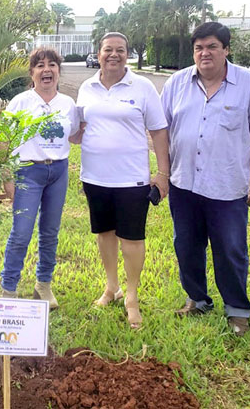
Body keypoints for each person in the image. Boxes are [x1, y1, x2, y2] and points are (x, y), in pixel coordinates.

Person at [160, 22, 250, 336]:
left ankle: (237, 311)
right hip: (183, 183)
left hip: (227, 187)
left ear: (226, 49)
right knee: (186, 245)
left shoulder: (248, 84)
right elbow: (161, 130)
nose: (204, 53)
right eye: (199, 47)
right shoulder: (176, 83)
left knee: (230, 248)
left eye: (212, 46)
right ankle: (197, 299)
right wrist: (161, 172)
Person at [71, 32, 170, 329]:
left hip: (132, 179)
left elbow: (159, 131)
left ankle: (131, 296)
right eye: (107, 50)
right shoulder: (86, 87)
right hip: (94, 176)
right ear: (98, 53)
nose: (113, 54)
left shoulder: (142, 87)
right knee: (104, 233)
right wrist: (72, 134)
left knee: (132, 239)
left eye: (120, 50)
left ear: (128, 54)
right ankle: (111, 287)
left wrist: (163, 174)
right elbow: (77, 132)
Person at [0, 47, 77, 309]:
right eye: (40, 65)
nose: (47, 70)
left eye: (52, 65)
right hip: (27, 172)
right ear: (31, 73)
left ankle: (43, 285)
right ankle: (8, 288)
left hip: (58, 172)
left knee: (50, 231)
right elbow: (3, 140)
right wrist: (7, 176)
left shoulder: (67, 104)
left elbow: (74, 134)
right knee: (21, 232)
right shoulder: (21, 102)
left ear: (58, 71)